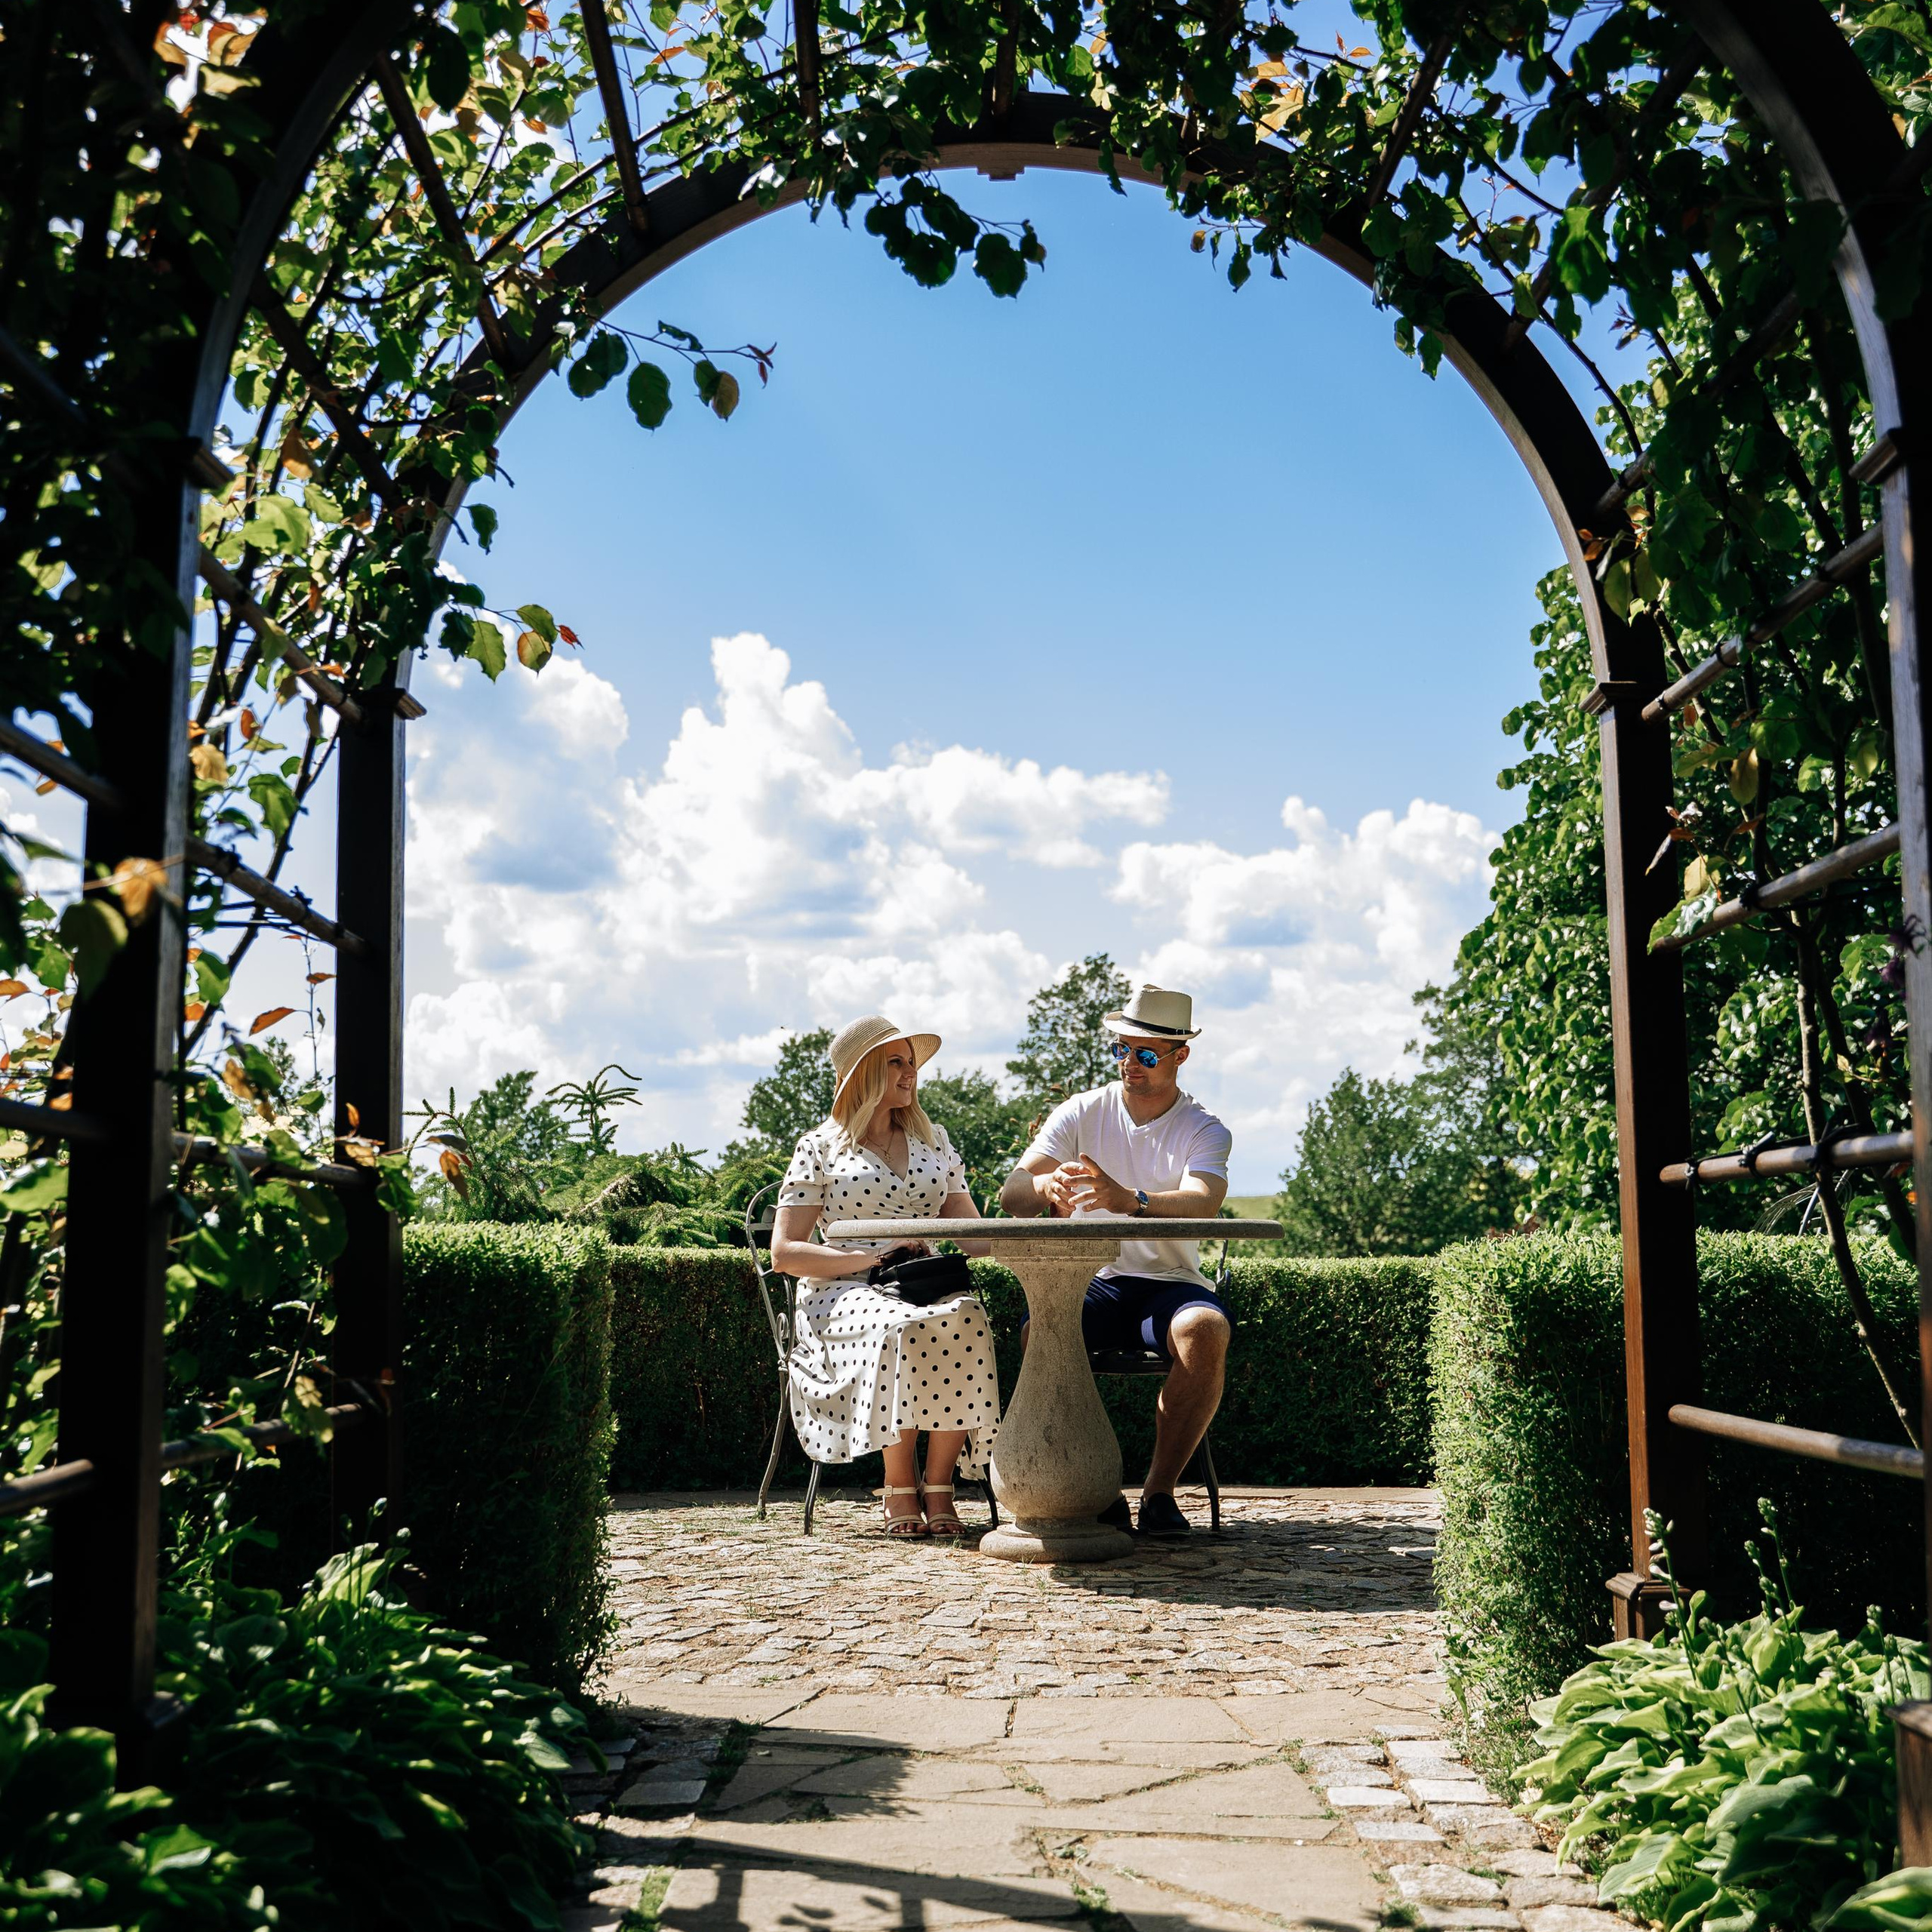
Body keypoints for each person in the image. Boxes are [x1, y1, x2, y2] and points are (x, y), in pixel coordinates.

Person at [997, 983, 1231, 1538]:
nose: (1131, 1063)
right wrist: (1045, 1183)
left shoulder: (1203, 1127)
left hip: (1169, 1283)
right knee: (1041, 1331)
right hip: (1092, 1279)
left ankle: (1158, 1493)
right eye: (1123, 1050)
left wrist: (1132, 1201)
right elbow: (1012, 1194)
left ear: (1181, 1056)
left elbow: (1207, 1199)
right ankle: (1082, 1489)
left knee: (1206, 1328)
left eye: (1147, 1054)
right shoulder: (1081, 1111)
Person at [771, 1015, 1000, 1537]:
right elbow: (785, 1253)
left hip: (921, 1284)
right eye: (895, 1061)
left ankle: (939, 1484)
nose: (909, 1073)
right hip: (842, 1292)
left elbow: (973, 1238)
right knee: (903, 1326)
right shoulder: (820, 1147)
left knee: (967, 1315)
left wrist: (1042, 1224)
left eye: (911, 1062)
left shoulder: (933, 1141)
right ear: (863, 1072)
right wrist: (870, 1260)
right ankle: (899, 1484)